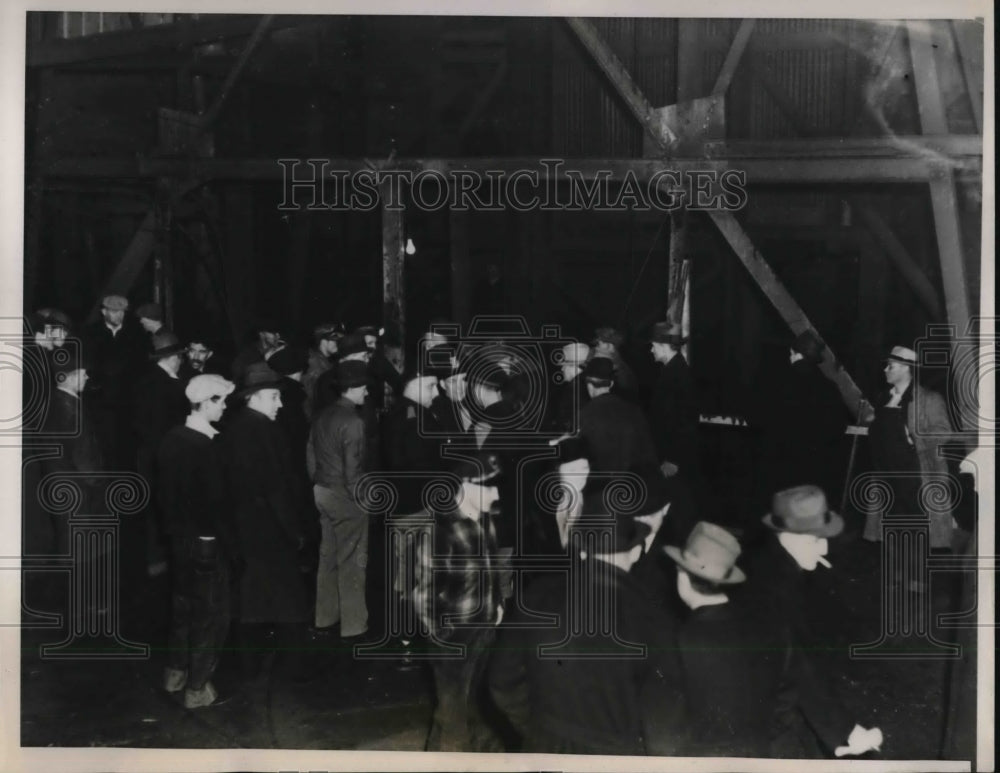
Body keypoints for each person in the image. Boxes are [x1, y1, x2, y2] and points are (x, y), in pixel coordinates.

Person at [664, 521, 883, 758]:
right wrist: (845, 732)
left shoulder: (680, 641)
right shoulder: (771, 626)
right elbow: (802, 679)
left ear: (681, 575)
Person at [488, 501, 682, 755]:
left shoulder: (537, 596)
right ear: (636, 551)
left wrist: (536, 727)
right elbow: (664, 716)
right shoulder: (655, 617)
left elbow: (502, 681)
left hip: (545, 746)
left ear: (581, 551)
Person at [412, 453, 506, 751]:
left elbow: (492, 566)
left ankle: (447, 754)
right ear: (464, 487)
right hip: (453, 637)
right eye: (489, 487)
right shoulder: (441, 530)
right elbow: (423, 591)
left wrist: (498, 604)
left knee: (468, 704)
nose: (497, 494)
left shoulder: (486, 520)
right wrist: (441, 632)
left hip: (485, 627)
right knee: (453, 713)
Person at [222, 362, 311, 679]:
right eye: (275, 397)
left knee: (253, 601)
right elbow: (276, 488)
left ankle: (249, 667)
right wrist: (295, 530)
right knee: (288, 601)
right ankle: (294, 671)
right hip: (270, 530)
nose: (281, 403)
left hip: (245, 531)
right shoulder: (264, 431)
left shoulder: (235, 428)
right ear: (255, 397)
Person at [157, 374, 237, 709]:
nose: (225, 407)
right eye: (220, 400)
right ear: (205, 403)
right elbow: (216, 504)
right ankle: (198, 688)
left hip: (177, 540)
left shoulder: (171, 439)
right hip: (206, 542)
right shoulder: (207, 447)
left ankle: (174, 673)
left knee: (183, 606)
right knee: (212, 613)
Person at [864, 345, 959, 551]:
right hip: (888, 475)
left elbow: (944, 432)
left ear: (906, 368)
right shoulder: (883, 399)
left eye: (891, 366)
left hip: (916, 475)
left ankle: (917, 581)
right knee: (891, 532)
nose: (885, 370)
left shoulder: (928, 399)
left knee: (918, 533)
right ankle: (897, 579)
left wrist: (914, 438)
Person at [307, 360, 373, 641]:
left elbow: (309, 453)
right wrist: (363, 501)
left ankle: (325, 618)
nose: (367, 392)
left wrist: (317, 482)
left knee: (328, 557)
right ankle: (354, 626)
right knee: (353, 562)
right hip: (345, 495)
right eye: (364, 387)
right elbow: (353, 469)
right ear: (354, 389)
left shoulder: (322, 415)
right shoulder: (354, 421)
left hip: (321, 490)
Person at [756, 329, 849, 506]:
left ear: (792, 352)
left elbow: (759, 417)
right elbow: (838, 427)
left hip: (778, 464)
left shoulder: (776, 382)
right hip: (812, 468)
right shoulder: (828, 388)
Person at [133, 331, 190, 577]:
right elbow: (160, 425)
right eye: (179, 356)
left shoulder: (152, 379)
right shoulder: (162, 384)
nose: (181, 360)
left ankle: (158, 557)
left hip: (153, 453)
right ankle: (159, 559)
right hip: (162, 454)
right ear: (171, 358)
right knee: (161, 505)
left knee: (157, 506)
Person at [82, 293, 146, 468]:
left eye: (122, 312)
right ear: (104, 312)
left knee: (127, 450)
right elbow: (88, 365)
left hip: (128, 403)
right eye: (113, 312)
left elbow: (142, 366)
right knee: (104, 448)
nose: (118, 316)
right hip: (101, 401)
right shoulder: (90, 333)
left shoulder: (136, 334)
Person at [578, 357, 658, 479]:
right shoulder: (634, 410)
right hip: (634, 485)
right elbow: (649, 454)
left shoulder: (585, 414)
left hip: (601, 488)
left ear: (589, 385)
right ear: (611, 383)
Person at [647, 322, 700, 482]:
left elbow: (686, 421)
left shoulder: (679, 375)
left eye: (653, 345)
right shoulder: (670, 370)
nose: (651, 350)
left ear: (663, 346)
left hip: (672, 461)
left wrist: (673, 459)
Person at [303, 322, 343, 419]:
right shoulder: (315, 365)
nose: (338, 344)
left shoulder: (326, 361)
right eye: (334, 340)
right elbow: (310, 399)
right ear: (323, 341)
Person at [548, 341, 590, 433]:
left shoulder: (573, 390)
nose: (562, 369)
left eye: (564, 366)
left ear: (575, 367)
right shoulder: (586, 386)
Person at [592, 326, 638, 401]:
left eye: (599, 344)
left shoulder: (621, 372)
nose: (596, 348)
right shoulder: (598, 363)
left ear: (611, 347)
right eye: (597, 344)